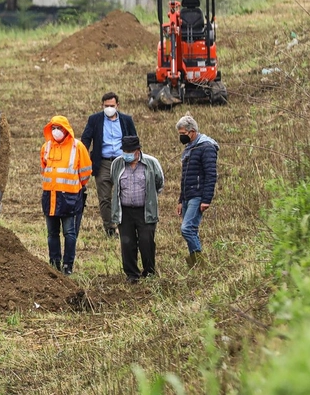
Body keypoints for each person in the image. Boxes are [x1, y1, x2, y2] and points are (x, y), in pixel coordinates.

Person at [80, 92, 138, 237]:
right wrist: (81, 157)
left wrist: (136, 159)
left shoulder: (126, 120)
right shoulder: (95, 120)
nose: (109, 108)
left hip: (122, 162)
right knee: (105, 198)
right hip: (103, 163)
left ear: (117, 105)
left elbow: (134, 140)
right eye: (106, 106)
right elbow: (86, 139)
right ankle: (110, 228)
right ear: (102, 105)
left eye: (112, 106)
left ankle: (125, 225)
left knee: (126, 196)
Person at [42, 115, 93, 274]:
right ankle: (54, 263)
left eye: (59, 128)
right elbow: (44, 169)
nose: (56, 131)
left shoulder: (77, 147)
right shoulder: (46, 147)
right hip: (50, 196)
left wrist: (74, 187)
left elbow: (85, 173)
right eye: (53, 128)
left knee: (70, 233)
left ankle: (67, 265)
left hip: (69, 197)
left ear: (66, 129)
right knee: (52, 233)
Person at [110, 135, 164, 284]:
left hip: (145, 210)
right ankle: (132, 274)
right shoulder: (117, 164)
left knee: (146, 242)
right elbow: (114, 180)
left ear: (138, 150)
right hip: (125, 211)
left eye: (130, 151)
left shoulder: (151, 163)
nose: (126, 154)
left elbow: (159, 183)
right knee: (127, 243)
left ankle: (149, 272)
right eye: (124, 151)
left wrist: (151, 198)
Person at [176, 114, 218, 267]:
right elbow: (185, 176)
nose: (181, 137)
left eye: (183, 134)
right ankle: (195, 265)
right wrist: (181, 199)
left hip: (198, 195)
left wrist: (206, 199)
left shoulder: (206, 147)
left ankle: (200, 264)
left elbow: (211, 174)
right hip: (188, 195)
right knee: (191, 230)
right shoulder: (190, 148)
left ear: (192, 131)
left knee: (187, 229)